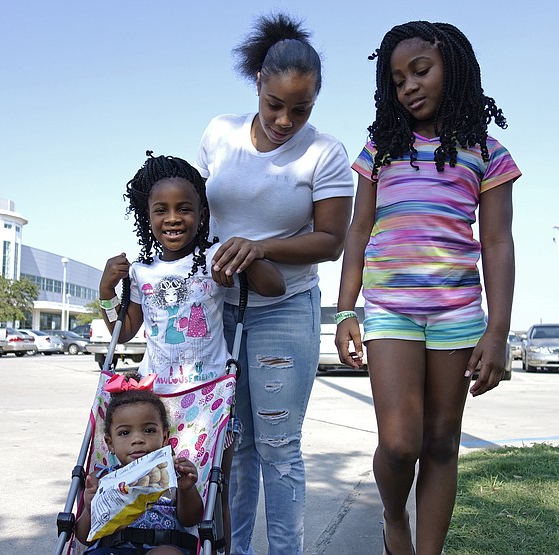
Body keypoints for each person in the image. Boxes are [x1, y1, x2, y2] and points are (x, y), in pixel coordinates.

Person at [333, 21, 520, 555]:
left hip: (457, 314)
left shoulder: (487, 152)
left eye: (421, 71)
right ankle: (395, 520)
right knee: (398, 443)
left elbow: (498, 244)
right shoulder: (381, 150)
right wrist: (347, 311)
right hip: (391, 311)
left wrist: (498, 331)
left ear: (454, 70)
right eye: (397, 79)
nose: (409, 86)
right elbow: (359, 229)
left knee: (440, 443)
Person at [194, 13, 354, 555]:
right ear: (259, 83)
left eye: (301, 109)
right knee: (234, 446)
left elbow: (331, 239)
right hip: (222, 308)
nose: (286, 120)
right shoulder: (218, 133)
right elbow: (197, 215)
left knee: (279, 448)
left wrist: (260, 246)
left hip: (284, 308)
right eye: (276, 105)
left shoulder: (326, 153)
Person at [98, 152, 286, 552]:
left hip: (211, 398)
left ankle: (223, 550)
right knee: (159, 486)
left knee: (215, 486)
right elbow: (124, 330)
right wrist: (105, 293)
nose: (173, 218)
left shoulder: (214, 258)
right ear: (145, 216)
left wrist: (249, 256)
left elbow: (275, 288)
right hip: (156, 403)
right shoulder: (140, 272)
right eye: (161, 210)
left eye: (184, 209)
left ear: (202, 214)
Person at [74, 372, 202, 555]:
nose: (138, 439)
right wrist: (90, 508)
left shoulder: (173, 474)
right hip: (114, 548)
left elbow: (191, 519)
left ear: (165, 437)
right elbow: (82, 536)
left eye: (149, 430)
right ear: (110, 443)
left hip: (163, 546)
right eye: (125, 433)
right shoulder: (100, 479)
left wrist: (186, 489)